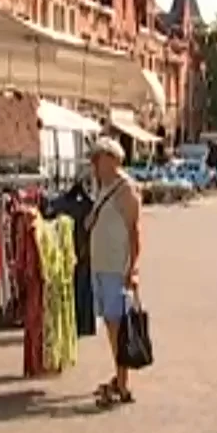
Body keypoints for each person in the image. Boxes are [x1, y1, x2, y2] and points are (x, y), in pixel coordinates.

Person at [86, 138, 144, 406]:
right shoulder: (104, 187)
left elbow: (135, 233)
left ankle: (122, 382)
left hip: (115, 269)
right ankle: (120, 378)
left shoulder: (126, 190)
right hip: (101, 265)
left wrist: (132, 269)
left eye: (96, 160)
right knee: (111, 325)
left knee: (118, 326)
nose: (93, 166)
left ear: (110, 159)